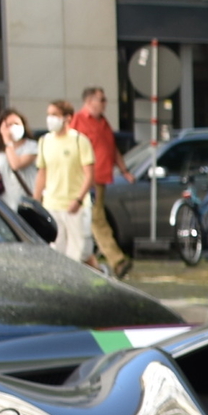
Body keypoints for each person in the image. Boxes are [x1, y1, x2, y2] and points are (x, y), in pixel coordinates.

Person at [71, 86, 131, 277]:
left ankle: (89, 262)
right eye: (101, 100)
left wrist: (124, 170)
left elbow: (112, 149)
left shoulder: (103, 122)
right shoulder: (78, 121)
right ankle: (117, 260)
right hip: (87, 179)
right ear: (89, 102)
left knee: (91, 220)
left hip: (101, 179)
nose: (105, 104)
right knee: (97, 219)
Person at [36, 100, 96, 266]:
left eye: (54, 115)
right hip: (52, 204)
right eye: (49, 114)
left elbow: (89, 175)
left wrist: (78, 199)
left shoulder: (79, 141)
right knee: (56, 251)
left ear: (67, 118)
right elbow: (42, 173)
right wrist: (36, 200)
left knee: (77, 253)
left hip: (74, 206)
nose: (50, 119)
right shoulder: (44, 141)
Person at [0, 108, 37, 207]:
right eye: (8, 125)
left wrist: (8, 141)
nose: (13, 127)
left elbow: (16, 164)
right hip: (7, 203)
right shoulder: (0, 151)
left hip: (27, 201)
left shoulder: (31, 146)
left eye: (17, 124)